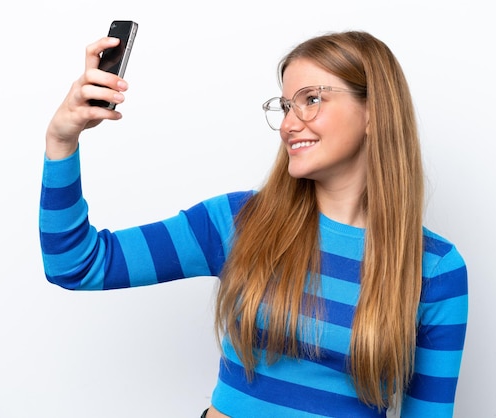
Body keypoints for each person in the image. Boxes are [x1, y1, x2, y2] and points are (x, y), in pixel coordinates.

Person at [39, 30, 468, 418]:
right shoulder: (238, 221)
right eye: (285, 105)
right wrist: (61, 140)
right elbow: (76, 264)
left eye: (311, 99)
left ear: (374, 112)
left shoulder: (435, 268)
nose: (287, 124)